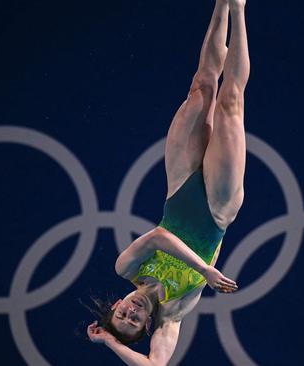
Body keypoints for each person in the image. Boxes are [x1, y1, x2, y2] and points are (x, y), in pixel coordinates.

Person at [86, 0, 249, 364]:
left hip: (179, 188)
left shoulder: (127, 268)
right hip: (216, 210)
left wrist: (205, 271)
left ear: (118, 303)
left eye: (122, 312)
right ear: (146, 325)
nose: (132, 311)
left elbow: (160, 237)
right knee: (230, 102)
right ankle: (240, 9)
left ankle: (223, 4)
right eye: (134, 321)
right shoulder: (172, 314)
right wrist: (112, 343)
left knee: (201, 87)